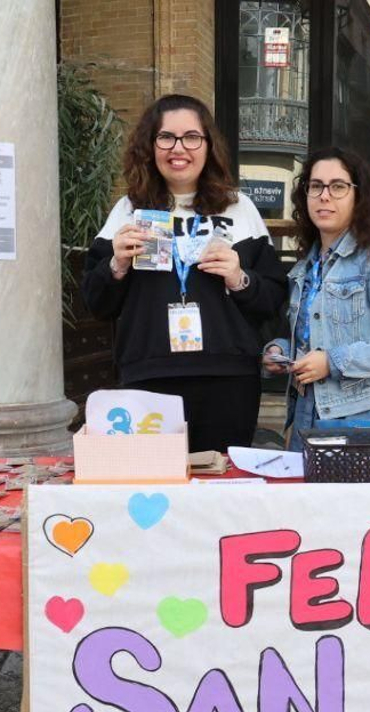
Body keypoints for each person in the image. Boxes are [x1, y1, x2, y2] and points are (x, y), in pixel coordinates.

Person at [81, 94, 287, 452]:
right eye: (166, 137)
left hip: (228, 378)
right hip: (149, 374)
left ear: (208, 145)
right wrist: (116, 264)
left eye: (192, 137)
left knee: (221, 491)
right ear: (151, 146)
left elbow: (272, 299)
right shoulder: (128, 211)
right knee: (158, 490)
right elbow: (96, 303)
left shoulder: (240, 207)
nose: (179, 148)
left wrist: (240, 278)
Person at [262, 147, 370, 446]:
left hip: (360, 419)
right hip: (304, 412)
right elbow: (315, 337)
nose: (325, 195)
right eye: (315, 186)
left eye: (338, 186)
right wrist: (282, 350)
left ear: (358, 197)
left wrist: (333, 362)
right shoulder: (305, 267)